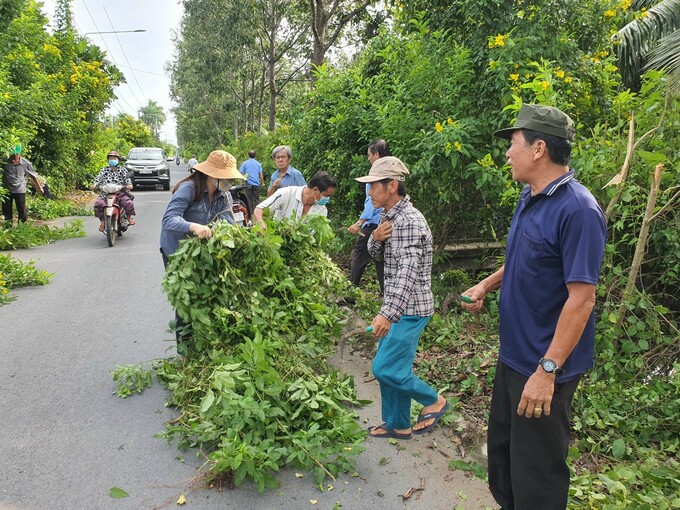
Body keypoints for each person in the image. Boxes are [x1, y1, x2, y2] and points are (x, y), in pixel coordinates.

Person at [461, 104, 607, 510]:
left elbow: (582, 298)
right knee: (504, 463)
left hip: (545, 368)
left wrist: (547, 371)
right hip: (514, 358)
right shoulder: (531, 196)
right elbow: (525, 258)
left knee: (537, 475)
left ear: (539, 148)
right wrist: (488, 284)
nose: (507, 153)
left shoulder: (578, 210)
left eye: (513, 144)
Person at [357, 156, 448, 440]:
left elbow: (407, 274)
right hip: (397, 305)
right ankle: (397, 424)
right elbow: (377, 255)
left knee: (384, 367)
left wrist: (388, 314)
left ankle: (433, 400)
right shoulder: (388, 217)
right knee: (393, 366)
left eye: (374, 186)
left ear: (392, 185)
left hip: (409, 309)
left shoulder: (408, 221)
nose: (369, 191)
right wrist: (376, 238)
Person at [160, 150, 239, 350]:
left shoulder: (224, 194)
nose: (228, 182)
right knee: (185, 303)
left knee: (205, 296)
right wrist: (193, 226)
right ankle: (185, 352)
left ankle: (205, 345)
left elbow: (229, 222)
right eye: (225, 178)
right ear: (211, 175)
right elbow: (169, 219)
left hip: (201, 251)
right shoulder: (189, 188)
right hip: (177, 251)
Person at [346, 140, 389, 294]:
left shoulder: (375, 176)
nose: (368, 159)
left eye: (369, 155)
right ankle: (387, 294)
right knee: (381, 260)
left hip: (372, 225)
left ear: (376, 154)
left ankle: (350, 294)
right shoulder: (391, 173)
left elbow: (372, 203)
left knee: (359, 257)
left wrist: (359, 223)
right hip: (386, 223)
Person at [253, 171, 336, 227]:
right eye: (326, 195)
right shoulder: (286, 193)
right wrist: (261, 223)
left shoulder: (322, 210)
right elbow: (259, 209)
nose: (327, 199)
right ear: (315, 190)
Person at [92, 151, 136, 232]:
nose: (112, 160)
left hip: (120, 192)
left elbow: (127, 179)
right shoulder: (104, 170)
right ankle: (102, 222)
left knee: (128, 202)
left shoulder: (122, 170)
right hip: (105, 193)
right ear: (108, 160)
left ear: (118, 160)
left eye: (114, 158)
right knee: (98, 204)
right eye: (111, 158)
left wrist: (128, 185)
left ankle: (129, 217)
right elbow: (98, 178)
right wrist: (94, 185)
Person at [2, 145, 44, 225]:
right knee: (7, 211)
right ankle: (8, 228)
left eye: (16, 154)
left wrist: (39, 187)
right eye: (12, 154)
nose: (14, 156)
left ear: (19, 153)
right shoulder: (4, 162)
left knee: (21, 210)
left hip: (20, 190)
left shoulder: (26, 163)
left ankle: (22, 228)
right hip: (7, 190)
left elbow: (33, 176)